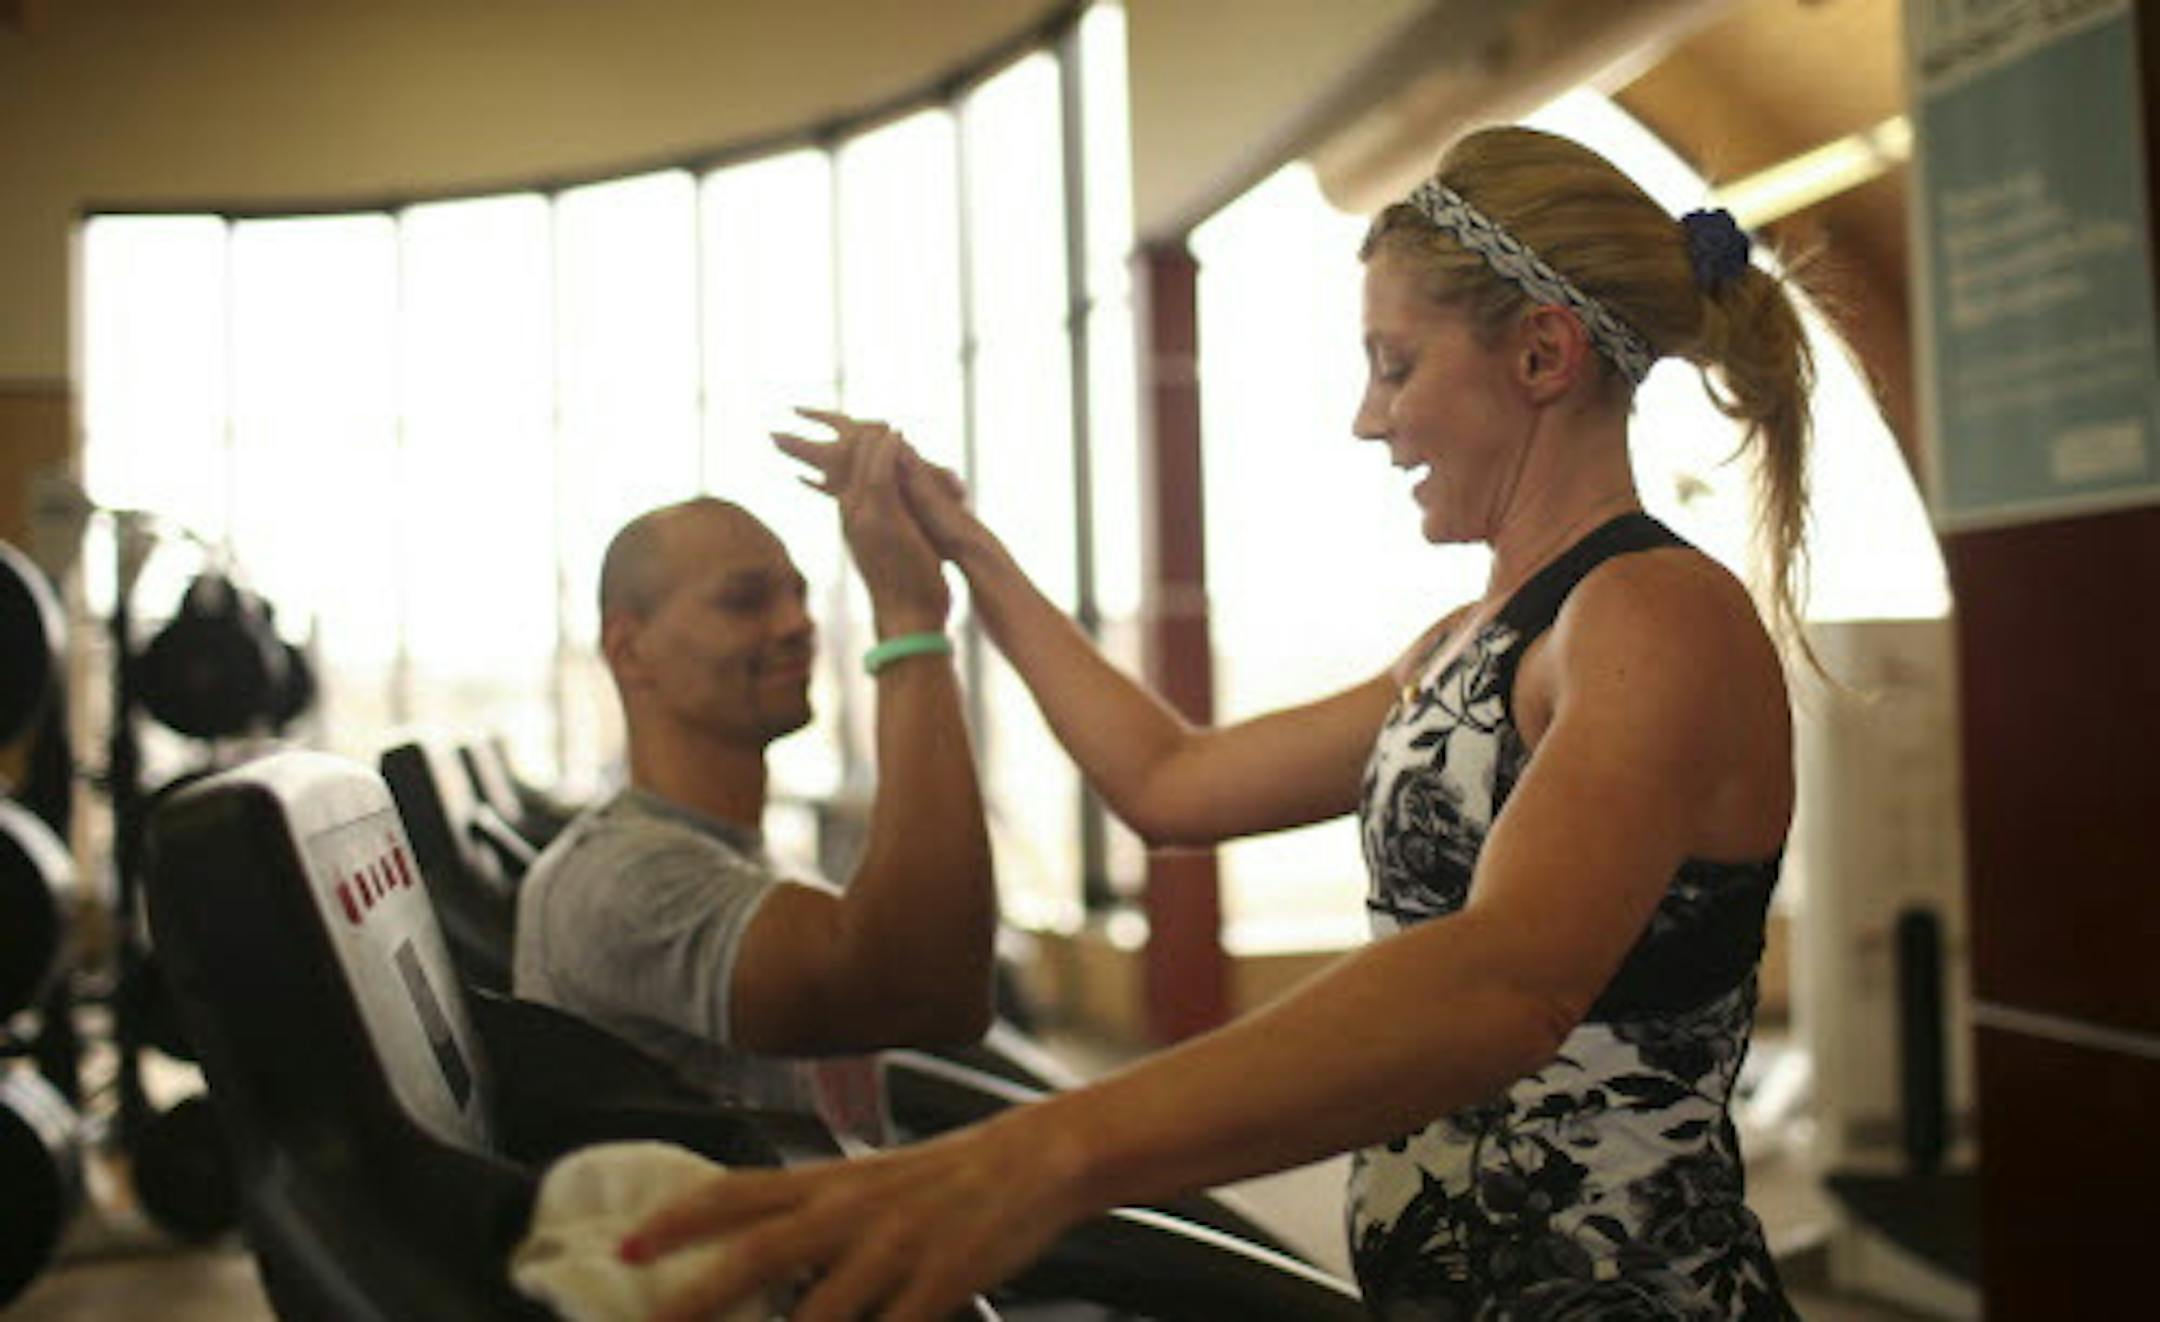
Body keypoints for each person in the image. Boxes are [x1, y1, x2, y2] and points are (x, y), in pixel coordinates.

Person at [624, 124, 1811, 1320]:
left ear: (1543, 356)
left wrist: (1045, 1154)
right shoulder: (1472, 639)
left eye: (1394, 365)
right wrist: (965, 557)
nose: (1369, 417)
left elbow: (1503, 982)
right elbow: (1171, 781)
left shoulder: (1657, 615)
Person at [513, 416, 996, 1145]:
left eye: (798, 596)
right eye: (746, 601)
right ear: (629, 649)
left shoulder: (744, 855)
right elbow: (927, 988)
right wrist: (911, 623)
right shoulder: (623, 879)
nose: (797, 623)